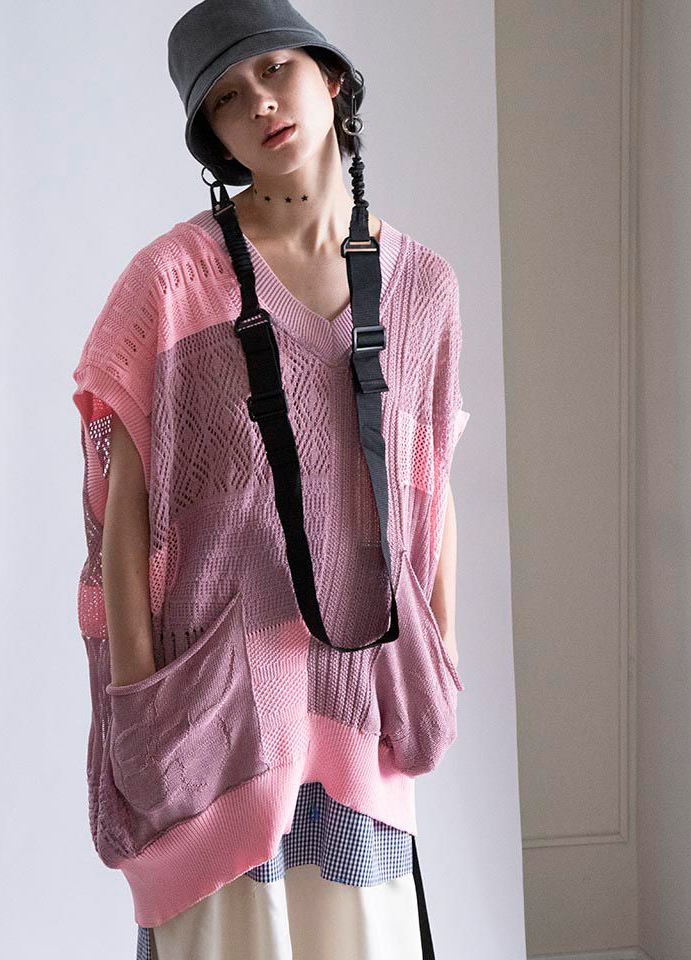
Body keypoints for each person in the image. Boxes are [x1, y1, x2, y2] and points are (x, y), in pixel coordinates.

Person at [72, 2, 470, 957]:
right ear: (214, 137)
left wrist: (440, 646)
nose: (258, 103)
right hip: (216, 713)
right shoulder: (173, 284)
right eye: (224, 98)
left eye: (274, 70)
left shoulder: (422, 287)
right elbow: (123, 517)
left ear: (329, 77)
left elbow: (429, 482)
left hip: (361, 693)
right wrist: (137, 695)